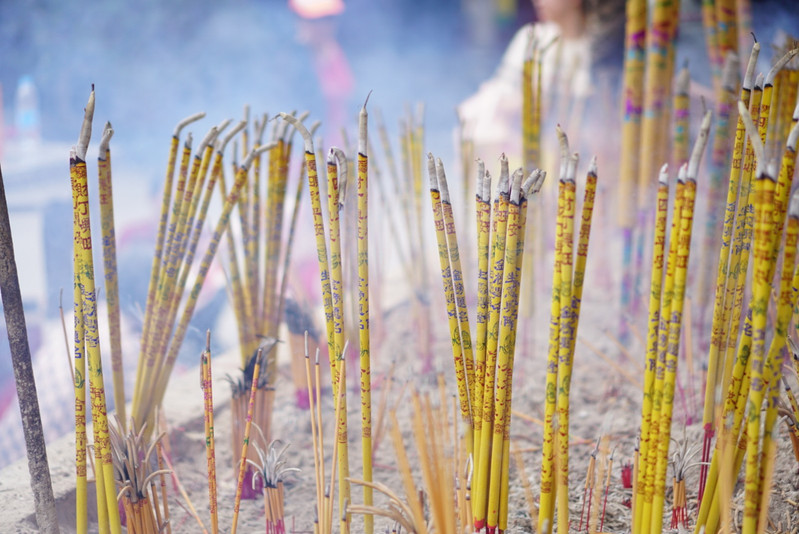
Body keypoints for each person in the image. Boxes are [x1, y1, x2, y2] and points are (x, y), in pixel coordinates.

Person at [458, 0, 625, 173]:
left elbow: (604, 114)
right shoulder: (531, 38)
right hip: (528, 158)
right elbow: (500, 92)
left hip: (581, 166)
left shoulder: (601, 52)